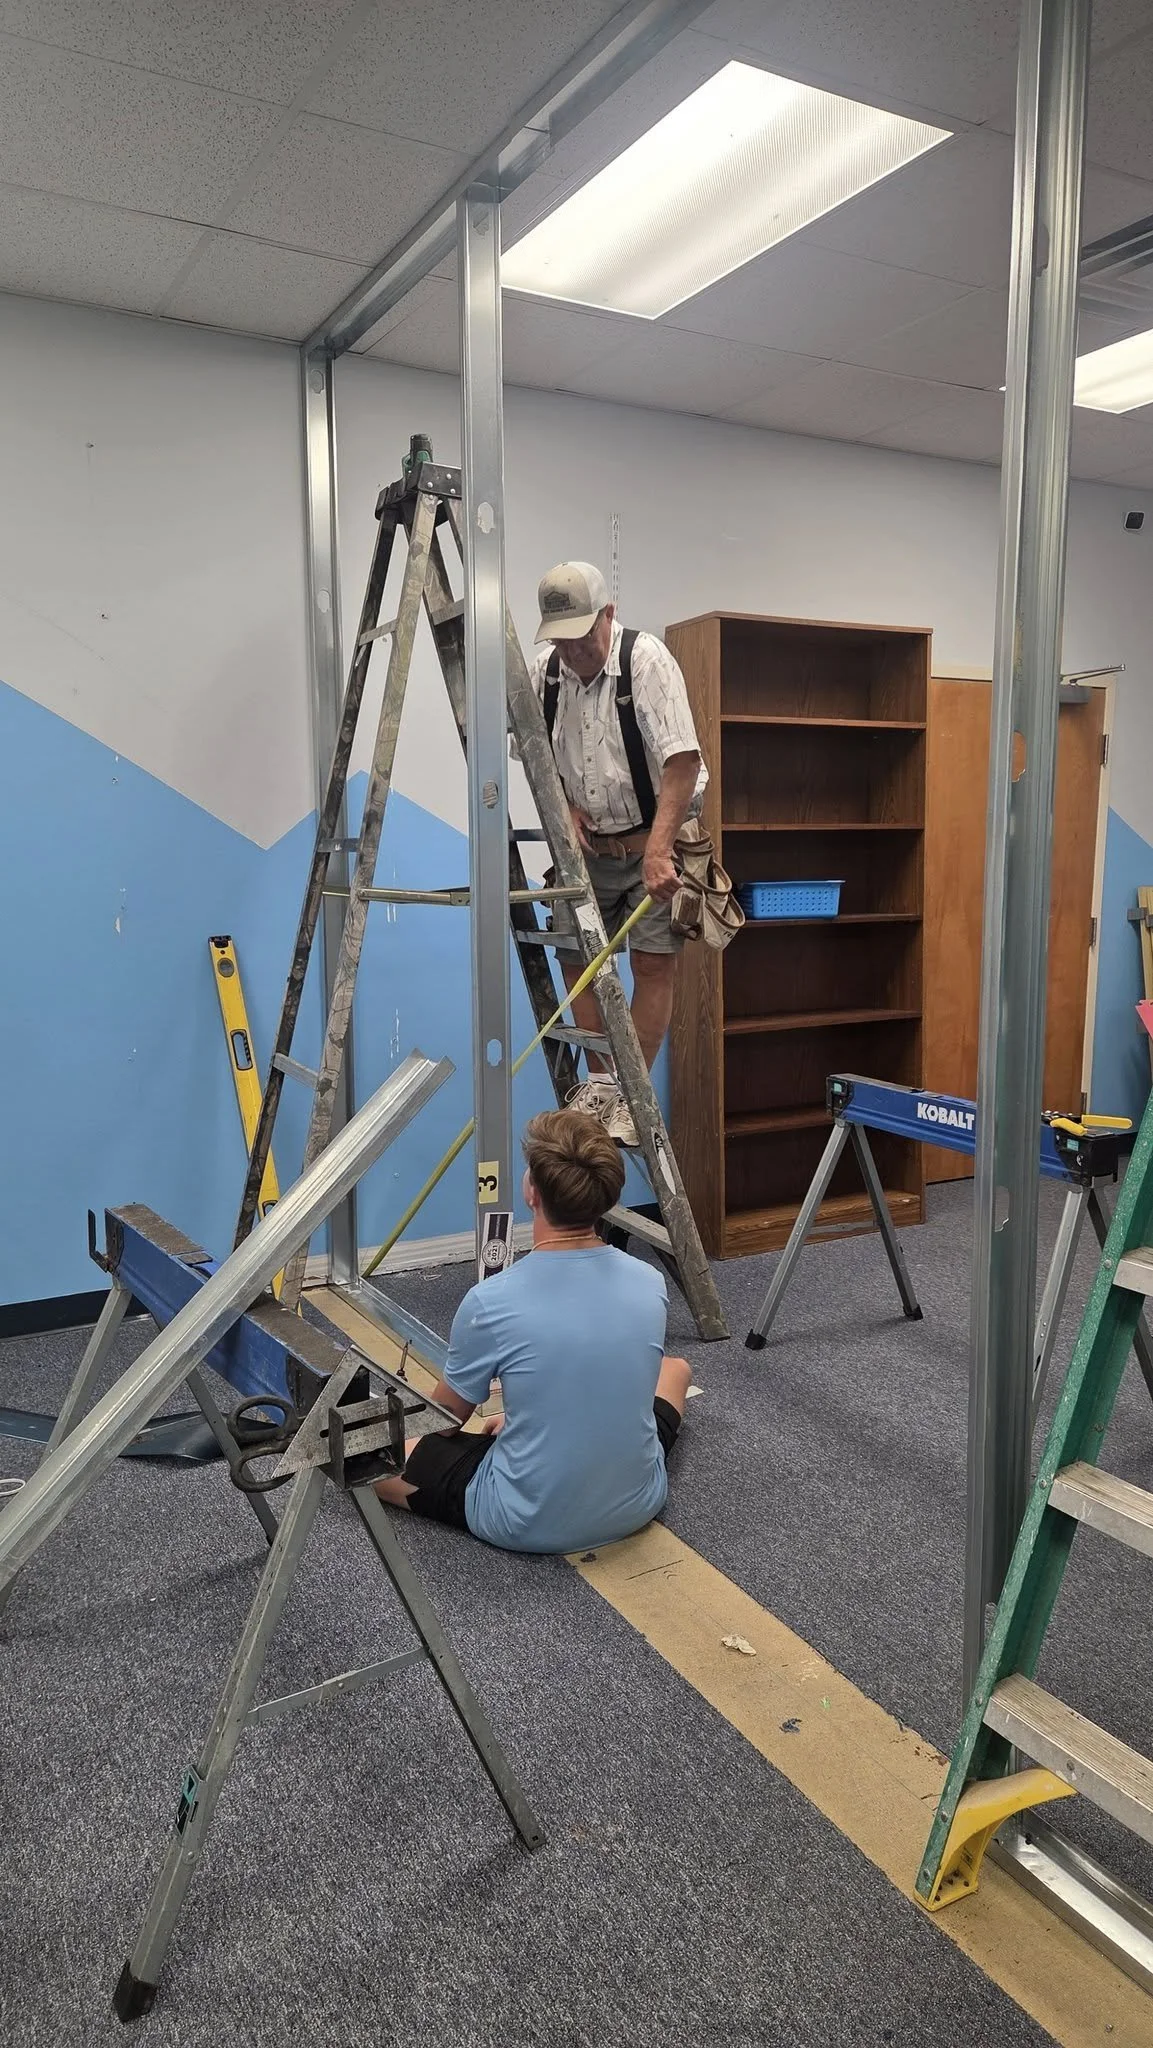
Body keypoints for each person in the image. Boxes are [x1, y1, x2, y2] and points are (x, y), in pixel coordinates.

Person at [374, 1108, 692, 1554]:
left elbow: (443, 1423)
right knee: (674, 1370)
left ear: (531, 1192)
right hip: (639, 1501)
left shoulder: (491, 1301)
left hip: (525, 1520)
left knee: (364, 1456)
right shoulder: (649, 1281)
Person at [531, 560, 708, 1146]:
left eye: (583, 635)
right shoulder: (547, 674)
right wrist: (563, 806)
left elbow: (683, 765)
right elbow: (533, 756)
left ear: (608, 614)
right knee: (578, 962)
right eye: (561, 640)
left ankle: (634, 1091)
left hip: (651, 839)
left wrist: (659, 852)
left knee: (652, 963)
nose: (573, 651)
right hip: (587, 850)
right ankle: (606, 1084)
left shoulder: (647, 661)